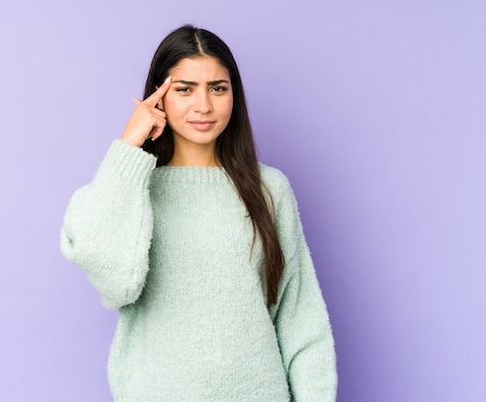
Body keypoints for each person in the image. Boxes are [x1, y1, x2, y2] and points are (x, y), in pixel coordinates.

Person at [60, 25, 337, 402]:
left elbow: (300, 317)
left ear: (234, 96)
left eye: (218, 88)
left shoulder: (269, 189)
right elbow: (113, 282)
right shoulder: (132, 189)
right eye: (184, 89)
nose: (203, 105)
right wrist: (128, 146)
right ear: (158, 97)